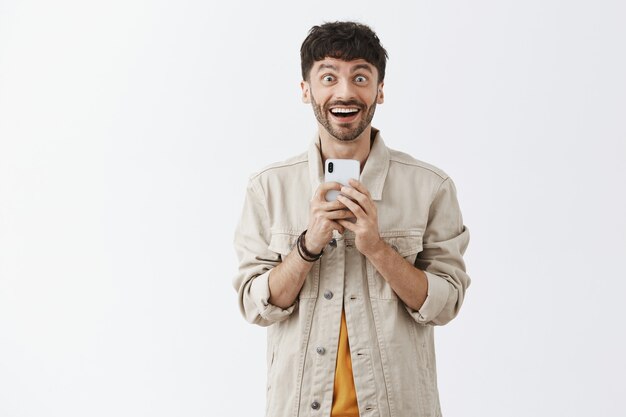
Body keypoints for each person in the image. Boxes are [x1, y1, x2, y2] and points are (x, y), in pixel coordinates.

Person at [233, 21, 470, 417]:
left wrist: (377, 248)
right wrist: (308, 245)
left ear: (379, 90)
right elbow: (254, 306)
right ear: (306, 89)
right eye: (329, 77)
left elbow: (445, 305)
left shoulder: (431, 186)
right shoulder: (268, 188)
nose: (345, 92)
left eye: (360, 77)